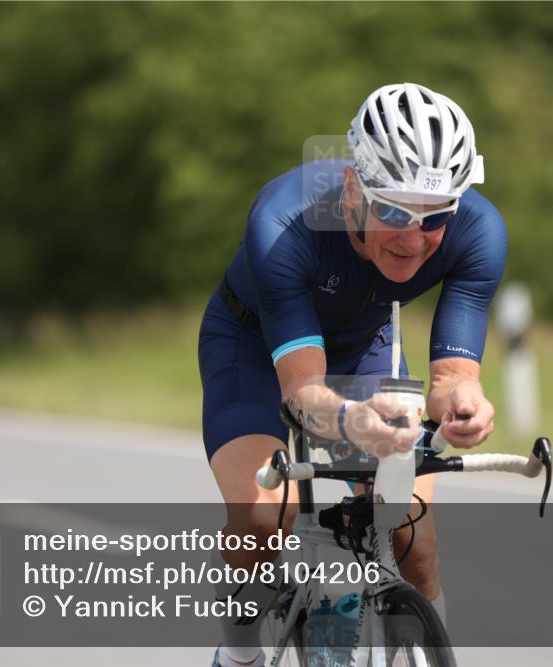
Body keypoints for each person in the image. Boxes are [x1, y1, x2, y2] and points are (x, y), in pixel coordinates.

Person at [199, 82, 507, 667]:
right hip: (254, 347)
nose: (413, 238)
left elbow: (450, 379)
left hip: (369, 341)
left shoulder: (478, 231)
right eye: (392, 209)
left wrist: (466, 402)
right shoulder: (283, 220)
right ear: (351, 189)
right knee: (266, 513)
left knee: (410, 530)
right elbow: (300, 391)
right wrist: (350, 419)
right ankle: (238, 654)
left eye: (434, 216)